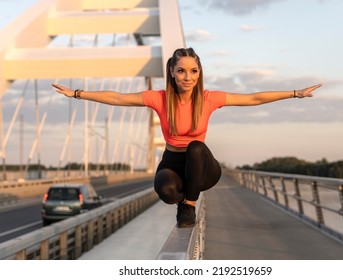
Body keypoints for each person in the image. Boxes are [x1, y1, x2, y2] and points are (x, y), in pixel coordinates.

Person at [52, 47, 322, 228]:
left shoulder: (209, 99)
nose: (188, 77)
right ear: (171, 72)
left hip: (203, 168)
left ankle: (189, 205)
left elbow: (254, 98)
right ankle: (181, 199)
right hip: (172, 162)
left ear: (199, 73)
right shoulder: (159, 98)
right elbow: (117, 97)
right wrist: (77, 93)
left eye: (193, 71)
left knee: (195, 146)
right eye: (181, 71)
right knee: (167, 192)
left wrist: (295, 93)